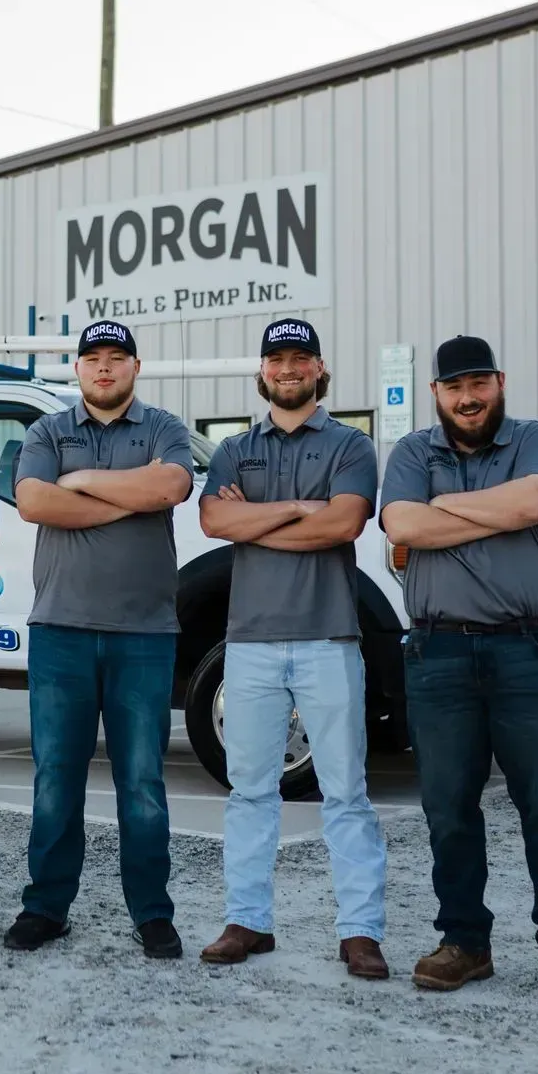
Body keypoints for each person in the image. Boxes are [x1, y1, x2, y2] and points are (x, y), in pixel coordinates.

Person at [379, 334, 538, 1009]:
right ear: (435, 393)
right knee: (448, 808)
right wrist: (479, 514)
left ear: (499, 381)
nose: (468, 398)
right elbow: (397, 524)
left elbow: (533, 504)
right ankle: (464, 944)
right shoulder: (415, 451)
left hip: (526, 652)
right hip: (438, 654)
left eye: (478, 384)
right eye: (454, 387)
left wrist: (436, 512)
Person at [197, 319, 389, 978]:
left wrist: (261, 520)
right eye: (276, 360)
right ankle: (246, 922)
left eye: (298, 360)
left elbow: (344, 522)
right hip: (249, 644)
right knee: (249, 792)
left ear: (319, 368)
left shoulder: (349, 444)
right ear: (263, 371)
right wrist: (301, 511)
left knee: (346, 794)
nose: (287, 370)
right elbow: (215, 520)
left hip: (329, 639)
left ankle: (359, 931)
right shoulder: (233, 450)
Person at [4, 321, 195, 958]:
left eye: (117, 359)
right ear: (78, 370)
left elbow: (170, 487)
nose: (104, 369)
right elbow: (33, 502)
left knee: (142, 780)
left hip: (144, 633)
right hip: (61, 629)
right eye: (93, 360)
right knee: (56, 776)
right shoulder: (45, 432)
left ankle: (152, 912)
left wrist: (80, 481)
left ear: (135, 368)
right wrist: (128, 496)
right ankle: (46, 906)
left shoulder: (165, 428)